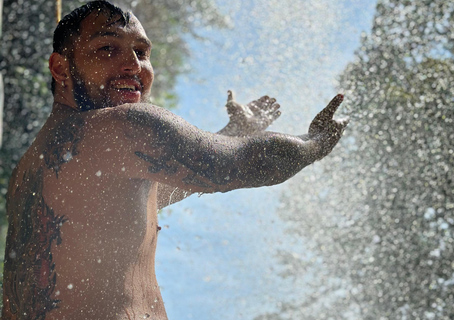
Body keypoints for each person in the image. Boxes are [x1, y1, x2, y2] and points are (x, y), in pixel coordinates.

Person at [1, 1, 348, 319]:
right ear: (60, 68)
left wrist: (236, 129)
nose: (133, 65)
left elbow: (157, 191)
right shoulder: (124, 126)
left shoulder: (35, 165)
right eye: (107, 48)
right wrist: (315, 144)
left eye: (141, 52)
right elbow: (234, 165)